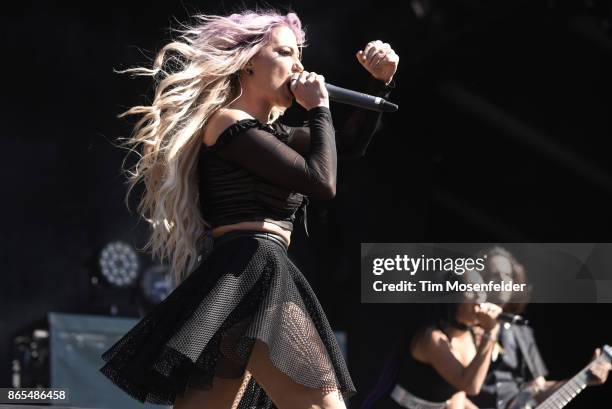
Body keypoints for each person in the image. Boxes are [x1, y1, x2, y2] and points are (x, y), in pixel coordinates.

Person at [99, 9, 399, 409]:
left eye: (299, 57)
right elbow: (321, 182)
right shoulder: (228, 123)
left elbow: (342, 147)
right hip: (254, 268)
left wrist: (378, 83)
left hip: (242, 273)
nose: (297, 66)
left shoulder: (268, 133)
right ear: (248, 63)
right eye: (285, 53)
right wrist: (319, 108)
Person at [471, 247, 611, 409]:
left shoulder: (520, 330)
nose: (503, 281)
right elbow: (454, 388)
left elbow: (537, 390)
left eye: (508, 276)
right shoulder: (462, 326)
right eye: (495, 275)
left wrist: (584, 377)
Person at [362, 272, 504, 409]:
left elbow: (456, 392)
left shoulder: (472, 334)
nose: (479, 296)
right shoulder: (431, 338)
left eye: (481, 288)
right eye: (470, 290)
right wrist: (490, 332)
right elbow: (471, 386)